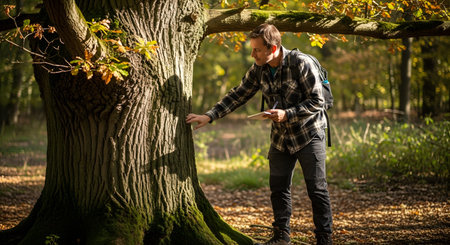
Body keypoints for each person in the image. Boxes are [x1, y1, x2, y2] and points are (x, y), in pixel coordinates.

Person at [186, 24, 333, 245]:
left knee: (317, 189)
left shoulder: (301, 64)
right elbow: (239, 94)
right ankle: (281, 237)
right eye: (252, 49)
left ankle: (324, 239)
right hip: (281, 138)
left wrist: (287, 113)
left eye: (257, 49)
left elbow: (317, 101)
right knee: (278, 188)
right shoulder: (259, 68)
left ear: (272, 48)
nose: (253, 54)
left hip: (309, 134)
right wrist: (210, 115)